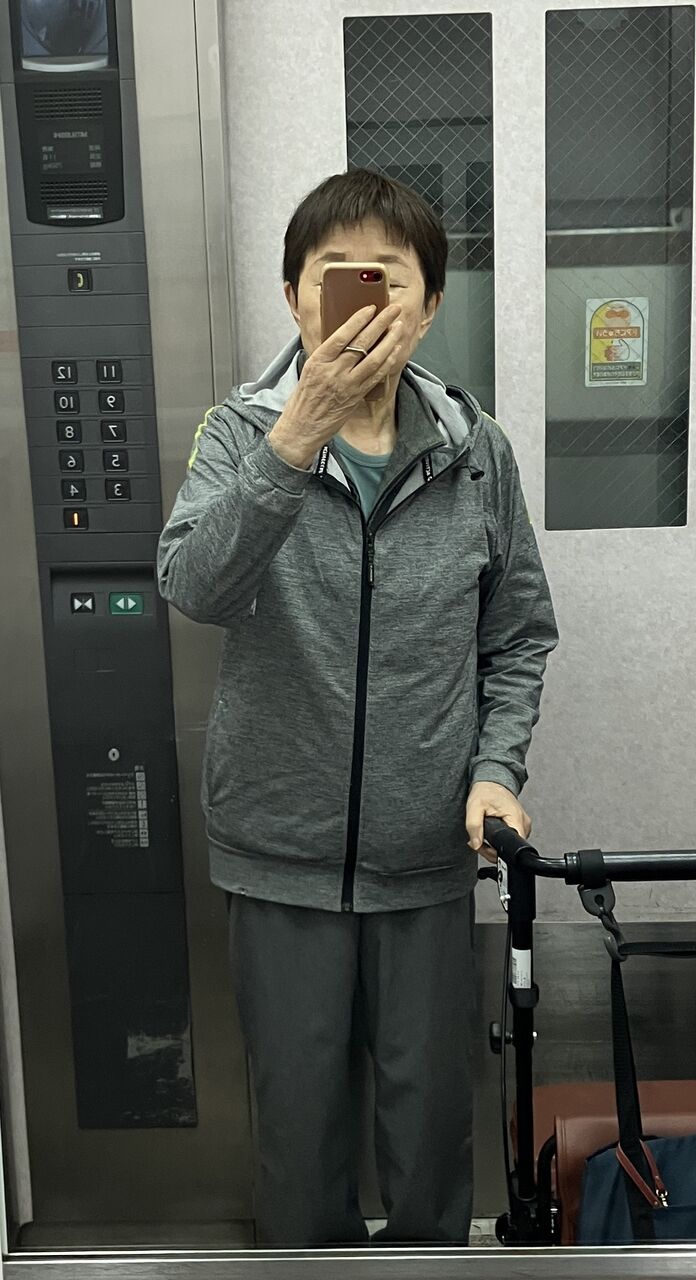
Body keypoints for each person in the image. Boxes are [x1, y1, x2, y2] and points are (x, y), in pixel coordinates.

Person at [157, 169, 558, 1246]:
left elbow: (518, 633)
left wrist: (495, 770)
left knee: (429, 1137)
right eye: (336, 275)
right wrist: (297, 437)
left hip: (427, 854)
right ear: (294, 295)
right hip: (278, 853)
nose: (362, 296)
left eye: (389, 276)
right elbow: (194, 586)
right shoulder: (239, 433)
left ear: (430, 305)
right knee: (298, 1138)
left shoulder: (476, 452)